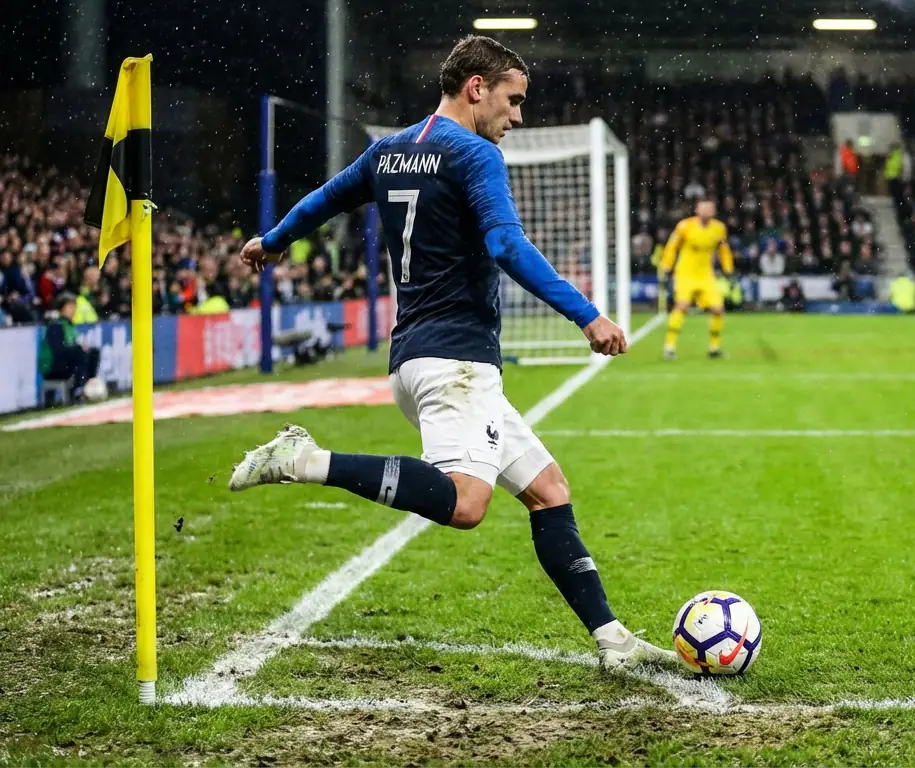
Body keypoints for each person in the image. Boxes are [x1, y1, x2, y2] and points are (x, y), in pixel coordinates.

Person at [228, 35, 673, 673]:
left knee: (548, 490)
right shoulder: (474, 154)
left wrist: (272, 240)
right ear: (476, 88)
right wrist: (588, 315)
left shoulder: (387, 152)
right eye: (513, 101)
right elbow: (507, 247)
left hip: (418, 359)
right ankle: (305, 460)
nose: (517, 117)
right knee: (466, 503)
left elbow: (326, 200)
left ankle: (612, 639)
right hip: (456, 364)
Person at [660, 198, 734, 360]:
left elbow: (724, 249)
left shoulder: (719, 228)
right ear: (697, 210)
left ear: (714, 211)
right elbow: (672, 247)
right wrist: (666, 266)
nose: (707, 211)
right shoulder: (685, 226)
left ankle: (714, 348)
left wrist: (728, 269)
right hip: (685, 273)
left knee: (718, 309)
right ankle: (669, 346)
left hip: (706, 275)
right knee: (682, 306)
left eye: (710, 208)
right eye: (704, 208)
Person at [38, 293, 101, 401]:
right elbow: (58, 352)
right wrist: (78, 348)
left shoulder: (70, 325)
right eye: (70, 307)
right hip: (52, 367)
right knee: (79, 351)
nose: (74, 310)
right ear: (61, 309)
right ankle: (76, 391)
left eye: (75, 307)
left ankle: (88, 386)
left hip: (66, 363)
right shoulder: (56, 325)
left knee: (94, 352)